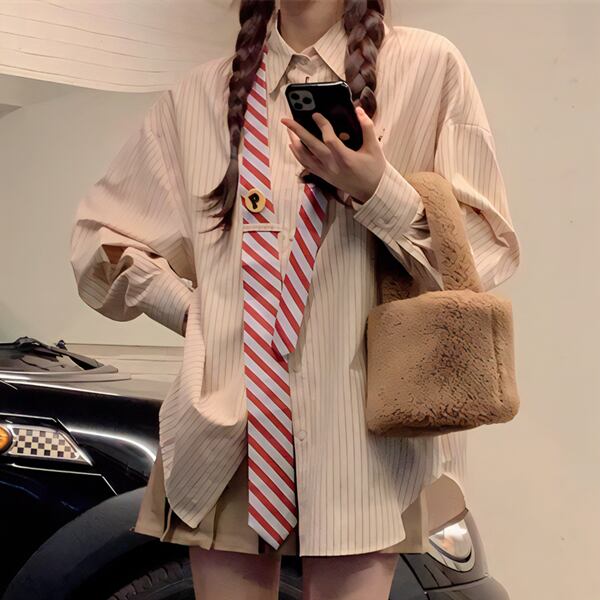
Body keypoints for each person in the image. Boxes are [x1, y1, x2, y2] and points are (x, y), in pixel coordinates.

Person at [69, 0, 521, 598]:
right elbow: (99, 241)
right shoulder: (200, 95)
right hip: (229, 427)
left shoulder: (427, 67)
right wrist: (195, 314)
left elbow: (484, 253)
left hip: (361, 436)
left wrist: (378, 191)